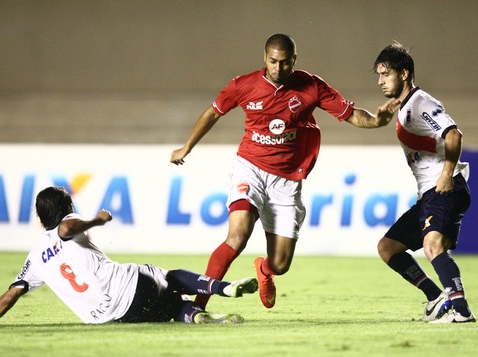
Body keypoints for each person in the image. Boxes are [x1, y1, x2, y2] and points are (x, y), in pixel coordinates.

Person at [170, 33, 400, 310]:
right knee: (238, 235)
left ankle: (265, 270)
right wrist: (187, 147)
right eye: (273, 61)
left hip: (286, 182)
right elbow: (213, 112)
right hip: (250, 169)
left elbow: (350, 114)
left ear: (295, 60)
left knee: (280, 263)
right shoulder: (243, 85)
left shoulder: (311, 86)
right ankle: (198, 305)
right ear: (264, 58)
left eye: (285, 63)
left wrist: (377, 121)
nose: (278, 68)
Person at [0, 186, 258, 325]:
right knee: (170, 278)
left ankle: (200, 317)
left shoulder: (35, 257)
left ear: (40, 217)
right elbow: (65, 228)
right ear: (65, 207)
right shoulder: (69, 222)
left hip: (116, 316)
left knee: (172, 308)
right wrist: (97, 221)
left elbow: (11, 294)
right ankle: (224, 287)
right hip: (132, 285)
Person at [372, 42, 476, 323]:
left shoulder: (421, 103)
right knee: (388, 247)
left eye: (386, 74)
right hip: (429, 194)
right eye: (378, 75)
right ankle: (436, 297)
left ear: (404, 74)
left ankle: (461, 310)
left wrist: (445, 174)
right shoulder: (405, 107)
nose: (381, 81)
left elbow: (454, 135)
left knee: (433, 245)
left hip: (446, 187)